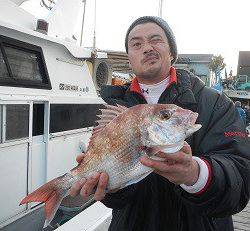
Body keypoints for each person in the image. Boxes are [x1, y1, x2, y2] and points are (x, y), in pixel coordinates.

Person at [69, 16, 250, 231]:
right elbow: (116, 198)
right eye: (136, 44)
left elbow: (241, 180)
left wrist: (194, 174)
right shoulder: (114, 109)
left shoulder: (217, 104)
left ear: (172, 53)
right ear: (129, 58)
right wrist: (111, 189)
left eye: (156, 40)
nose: (147, 48)